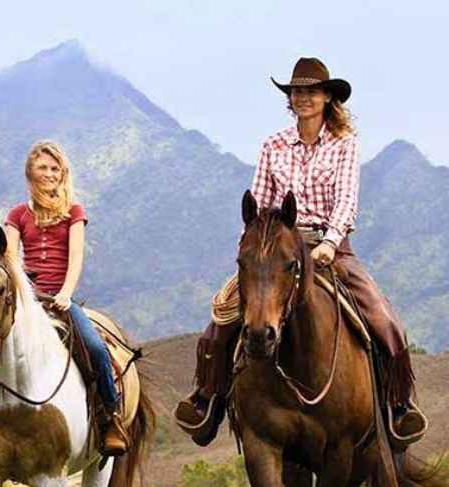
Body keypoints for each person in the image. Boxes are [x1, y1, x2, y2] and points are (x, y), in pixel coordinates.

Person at [174, 57, 427, 449]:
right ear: (289, 99)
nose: (303, 98)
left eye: (311, 91)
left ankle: (398, 406)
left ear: (327, 97)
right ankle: (208, 399)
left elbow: (346, 201)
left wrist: (328, 242)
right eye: (297, 92)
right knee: (219, 320)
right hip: (277, 250)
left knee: (385, 319)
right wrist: (258, 247)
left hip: (329, 247)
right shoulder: (272, 145)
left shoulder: (345, 144)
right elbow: (259, 203)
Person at [0, 140, 129, 456]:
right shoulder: (18, 214)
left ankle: (111, 417)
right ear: (31, 173)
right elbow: (8, 258)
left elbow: (76, 256)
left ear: (62, 173)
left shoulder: (74, 212)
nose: (49, 174)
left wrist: (65, 293)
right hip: (26, 300)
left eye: (55, 169)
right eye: (43, 168)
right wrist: (19, 296)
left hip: (60, 299)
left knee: (93, 345)